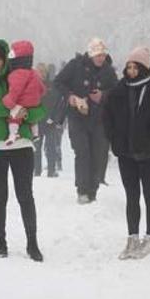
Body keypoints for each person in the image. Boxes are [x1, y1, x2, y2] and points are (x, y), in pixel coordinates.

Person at [0, 39, 45, 261]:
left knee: (25, 195)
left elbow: (39, 108)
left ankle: (32, 243)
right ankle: (0, 243)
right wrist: (11, 107)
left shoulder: (19, 77)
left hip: (21, 144)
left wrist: (25, 113)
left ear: (5, 59)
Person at [103, 47, 150, 260]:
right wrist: (114, 138)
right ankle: (132, 238)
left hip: (149, 152)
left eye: (136, 67)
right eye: (129, 66)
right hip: (126, 152)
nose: (131, 71)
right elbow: (107, 116)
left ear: (144, 68)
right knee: (131, 196)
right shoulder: (120, 89)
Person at [54, 37, 118, 203]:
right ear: (90, 54)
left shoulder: (108, 71)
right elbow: (58, 82)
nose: (100, 58)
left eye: (103, 55)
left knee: (98, 154)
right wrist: (71, 97)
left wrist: (103, 95)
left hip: (100, 118)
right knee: (82, 152)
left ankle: (93, 189)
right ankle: (82, 190)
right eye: (97, 55)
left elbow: (118, 91)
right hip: (78, 116)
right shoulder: (76, 65)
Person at [2, 40, 45, 145]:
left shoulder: (17, 74)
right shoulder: (34, 72)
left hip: (22, 102)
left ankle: (13, 134)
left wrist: (8, 101)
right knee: (33, 121)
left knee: (14, 117)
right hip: (34, 102)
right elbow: (42, 89)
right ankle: (35, 134)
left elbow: (15, 91)